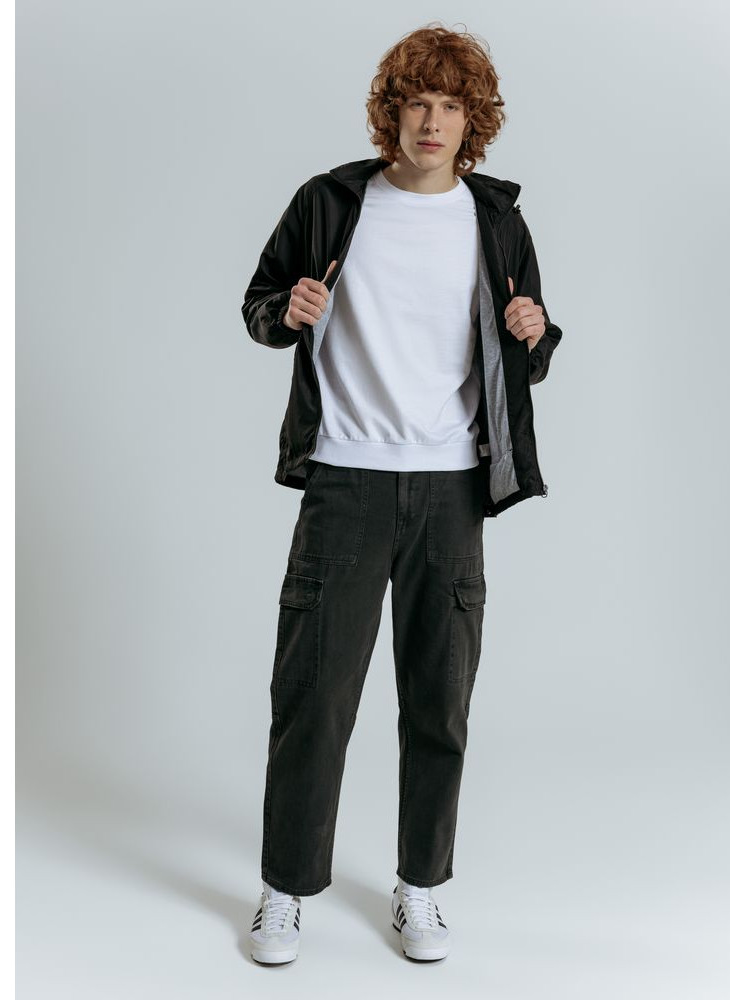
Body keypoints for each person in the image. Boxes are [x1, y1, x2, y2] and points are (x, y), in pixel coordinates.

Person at [241, 23, 563, 964]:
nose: (432, 121)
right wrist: (286, 309)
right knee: (313, 697)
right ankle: (284, 890)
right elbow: (259, 304)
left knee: (438, 702)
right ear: (392, 112)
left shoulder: (496, 222)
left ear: (473, 120)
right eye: (418, 102)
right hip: (345, 479)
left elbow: (530, 353)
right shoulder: (331, 202)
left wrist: (536, 332)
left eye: (451, 105)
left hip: (453, 488)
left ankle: (420, 888)